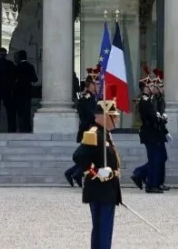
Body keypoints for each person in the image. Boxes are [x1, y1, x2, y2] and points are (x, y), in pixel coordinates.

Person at [72, 99, 123, 249]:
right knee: (102, 229)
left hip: (108, 188)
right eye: (113, 116)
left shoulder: (105, 134)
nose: (117, 119)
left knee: (104, 230)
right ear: (104, 116)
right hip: (100, 189)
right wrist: (95, 172)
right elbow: (78, 156)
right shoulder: (94, 134)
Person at [68, 67, 101, 188]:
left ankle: (72, 172)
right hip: (88, 130)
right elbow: (90, 115)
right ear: (91, 85)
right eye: (96, 83)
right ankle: (76, 173)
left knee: (89, 155)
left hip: (92, 130)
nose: (98, 86)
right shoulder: (87, 98)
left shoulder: (92, 97)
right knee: (88, 155)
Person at [13, 50, 38, 133]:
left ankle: (21, 128)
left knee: (20, 112)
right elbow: (35, 79)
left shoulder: (17, 67)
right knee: (27, 111)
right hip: (27, 92)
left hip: (18, 92)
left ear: (19, 57)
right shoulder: (30, 66)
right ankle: (27, 128)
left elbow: (13, 80)